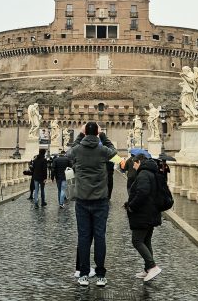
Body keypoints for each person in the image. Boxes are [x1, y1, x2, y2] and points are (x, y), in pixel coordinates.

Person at [65, 122, 117, 287]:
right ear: (97, 133)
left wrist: (80, 135)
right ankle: (101, 275)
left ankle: (84, 275)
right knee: (100, 237)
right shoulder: (102, 151)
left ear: (85, 132)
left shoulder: (78, 150)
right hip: (101, 201)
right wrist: (103, 136)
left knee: (84, 238)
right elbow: (115, 154)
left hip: (82, 201)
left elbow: (68, 153)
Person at [125, 156, 162, 282]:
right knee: (146, 241)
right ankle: (147, 269)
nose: (134, 167)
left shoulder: (143, 174)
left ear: (138, 162)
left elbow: (142, 193)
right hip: (151, 212)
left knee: (137, 240)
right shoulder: (151, 172)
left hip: (143, 214)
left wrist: (131, 206)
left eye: (134, 164)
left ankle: (152, 266)